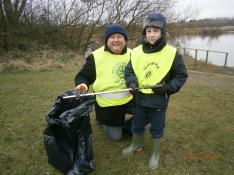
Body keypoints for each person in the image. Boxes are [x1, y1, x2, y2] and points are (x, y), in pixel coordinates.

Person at [122, 12, 188, 169]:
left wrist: (168, 87)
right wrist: (131, 83)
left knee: (157, 127)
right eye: (148, 31)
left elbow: (181, 75)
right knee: (137, 124)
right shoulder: (136, 51)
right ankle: (136, 144)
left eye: (156, 31)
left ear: (162, 32)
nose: (151, 35)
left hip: (159, 99)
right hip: (139, 98)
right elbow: (129, 71)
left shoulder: (172, 53)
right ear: (144, 32)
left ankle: (155, 153)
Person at [74, 24, 133, 141]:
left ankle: (129, 125)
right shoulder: (96, 56)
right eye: (112, 37)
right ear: (107, 40)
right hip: (108, 104)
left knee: (152, 109)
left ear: (125, 39)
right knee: (116, 137)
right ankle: (105, 121)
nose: (116, 40)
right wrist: (83, 84)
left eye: (119, 37)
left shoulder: (134, 54)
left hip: (131, 98)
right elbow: (83, 76)